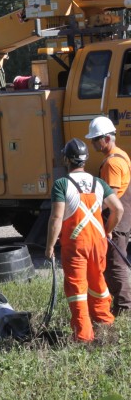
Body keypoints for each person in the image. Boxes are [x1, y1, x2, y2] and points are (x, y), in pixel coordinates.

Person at [45, 138, 122, 342]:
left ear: (66, 159)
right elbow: (118, 209)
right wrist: (108, 230)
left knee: (77, 289)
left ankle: (83, 336)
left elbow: (56, 218)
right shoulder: (99, 183)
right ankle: (105, 324)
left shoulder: (62, 184)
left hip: (76, 244)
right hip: (98, 243)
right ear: (85, 160)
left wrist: (50, 245)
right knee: (98, 282)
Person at [87, 115, 131, 315]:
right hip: (123, 215)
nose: (92, 143)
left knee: (115, 265)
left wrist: (107, 228)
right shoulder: (121, 154)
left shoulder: (112, 163)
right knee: (115, 263)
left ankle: (124, 307)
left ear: (105, 138)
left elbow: (110, 200)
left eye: (94, 139)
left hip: (116, 217)